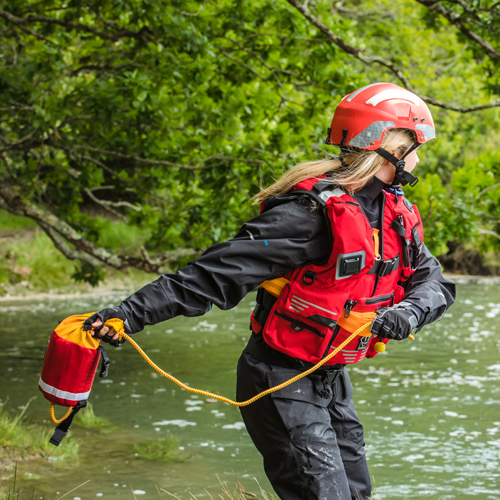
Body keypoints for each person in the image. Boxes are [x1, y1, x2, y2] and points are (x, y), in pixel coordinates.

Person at [85, 82, 456, 500]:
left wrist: (409, 313)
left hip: (329, 378)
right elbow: (212, 274)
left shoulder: (393, 212)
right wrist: (129, 314)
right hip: (279, 378)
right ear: (389, 147)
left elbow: (435, 282)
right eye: (416, 145)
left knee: (356, 494)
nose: (419, 157)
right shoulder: (309, 214)